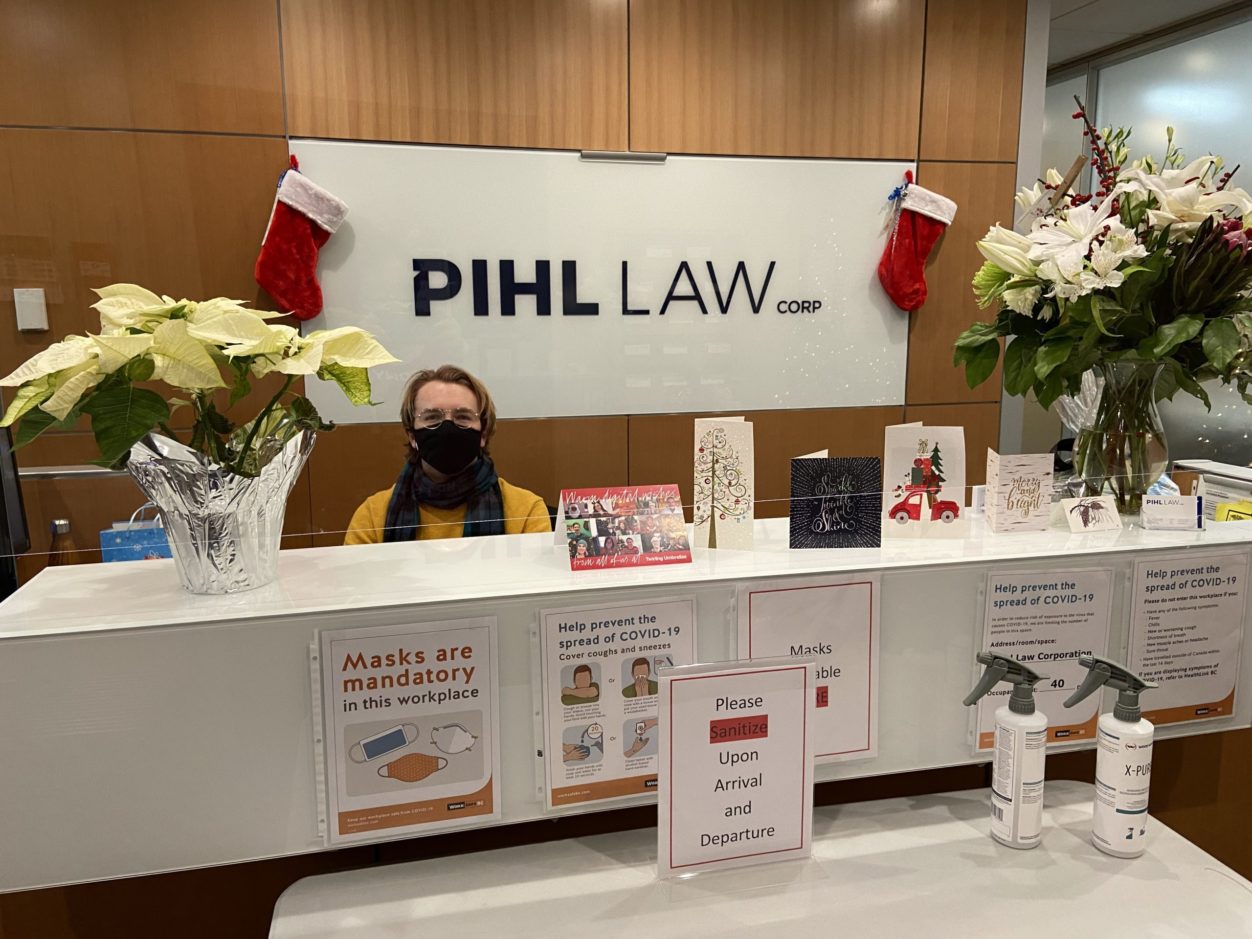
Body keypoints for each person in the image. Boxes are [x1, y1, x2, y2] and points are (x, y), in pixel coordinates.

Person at [345, 365, 551, 544]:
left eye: (463, 417)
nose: (448, 427)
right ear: (412, 436)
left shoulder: (526, 512)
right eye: (432, 417)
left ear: (483, 434)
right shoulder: (372, 517)